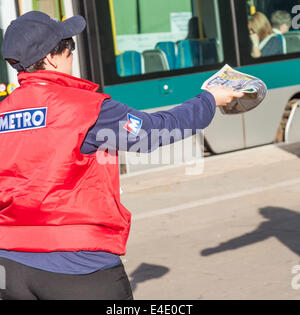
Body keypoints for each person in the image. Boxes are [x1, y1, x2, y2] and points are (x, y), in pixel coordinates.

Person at [0, 11, 243, 300]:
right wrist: (209, 101)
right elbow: (154, 131)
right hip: (78, 265)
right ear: (53, 58)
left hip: (9, 266)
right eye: (70, 47)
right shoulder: (86, 108)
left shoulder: (4, 111)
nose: (72, 56)